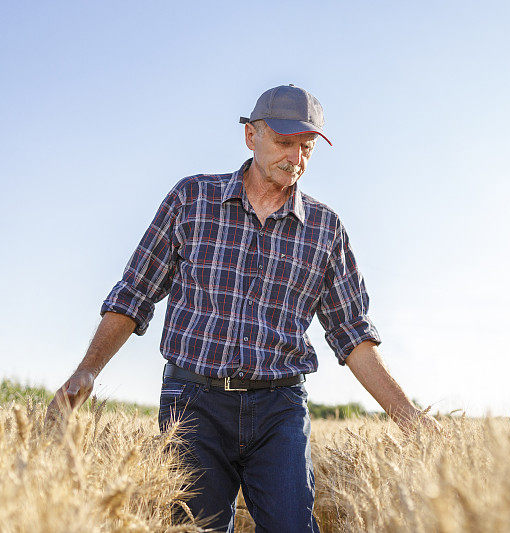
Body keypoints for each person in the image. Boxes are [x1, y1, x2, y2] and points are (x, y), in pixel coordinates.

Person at [45, 84, 443, 532]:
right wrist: (88, 369)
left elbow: (353, 336)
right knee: (196, 528)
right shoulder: (191, 200)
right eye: (285, 142)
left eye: (306, 148)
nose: (296, 158)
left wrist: (409, 418)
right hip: (193, 402)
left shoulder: (326, 231)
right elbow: (135, 293)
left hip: (279, 406)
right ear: (251, 136)